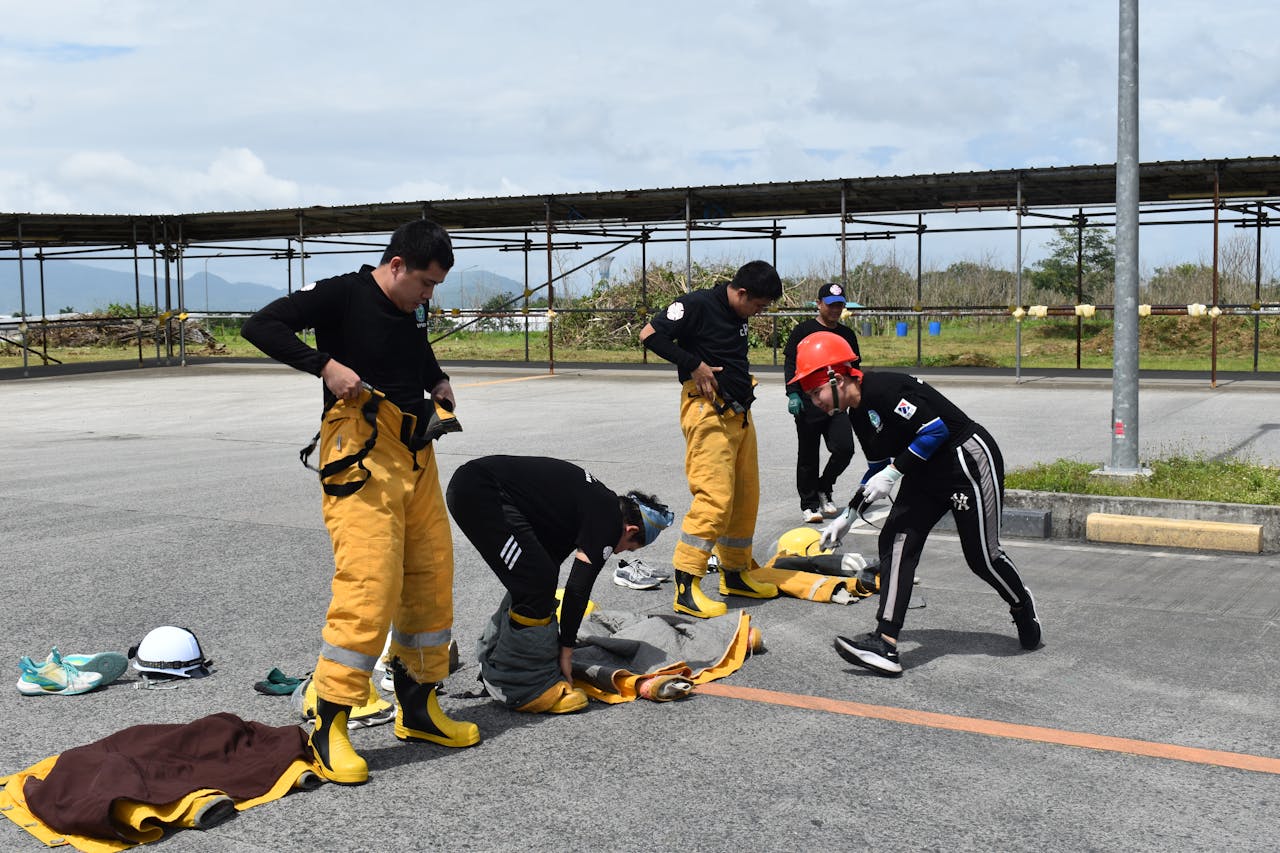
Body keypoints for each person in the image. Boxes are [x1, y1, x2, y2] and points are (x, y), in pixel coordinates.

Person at [242, 219, 479, 786]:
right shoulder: (342, 293)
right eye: (424, 282)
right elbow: (261, 325)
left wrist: (437, 379)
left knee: (429, 577)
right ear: (396, 265)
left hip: (416, 451)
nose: (428, 295)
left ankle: (420, 710)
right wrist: (323, 364)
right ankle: (329, 726)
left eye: (435, 286)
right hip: (359, 451)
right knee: (369, 586)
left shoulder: (409, 309)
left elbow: (412, 348)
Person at [789, 331, 1042, 677]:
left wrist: (893, 473)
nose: (814, 401)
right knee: (894, 538)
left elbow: (934, 431)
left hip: (963, 460)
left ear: (837, 376)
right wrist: (848, 516)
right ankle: (886, 642)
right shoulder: (857, 414)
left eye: (815, 391)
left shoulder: (885, 389)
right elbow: (878, 468)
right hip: (922, 467)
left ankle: (1021, 604)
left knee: (982, 557)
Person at [446, 455, 673, 713]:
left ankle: (495, 658)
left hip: (480, 486)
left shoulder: (595, 506)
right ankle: (527, 689)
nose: (621, 554)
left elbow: (553, 565)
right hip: (480, 494)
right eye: (630, 548)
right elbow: (578, 589)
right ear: (630, 529)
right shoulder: (608, 520)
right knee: (535, 583)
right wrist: (566, 650)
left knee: (535, 576)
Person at [639, 260, 784, 618]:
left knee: (745, 497)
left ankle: (735, 574)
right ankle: (686, 586)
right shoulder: (697, 304)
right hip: (709, 412)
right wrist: (693, 364)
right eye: (758, 305)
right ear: (742, 292)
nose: (758, 312)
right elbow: (648, 334)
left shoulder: (737, 314)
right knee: (714, 498)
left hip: (739, 414)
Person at [782, 282, 861, 523]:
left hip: (837, 403)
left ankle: (825, 487)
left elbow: (854, 368)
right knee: (808, 455)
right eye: (830, 305)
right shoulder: (803, 331)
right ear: (818, 304)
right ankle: (809, 504)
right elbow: (791, 364)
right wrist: (792, 393)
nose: (835, 310)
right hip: (808, 401)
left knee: (844, 448)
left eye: (839, 305)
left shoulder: (846, 334)